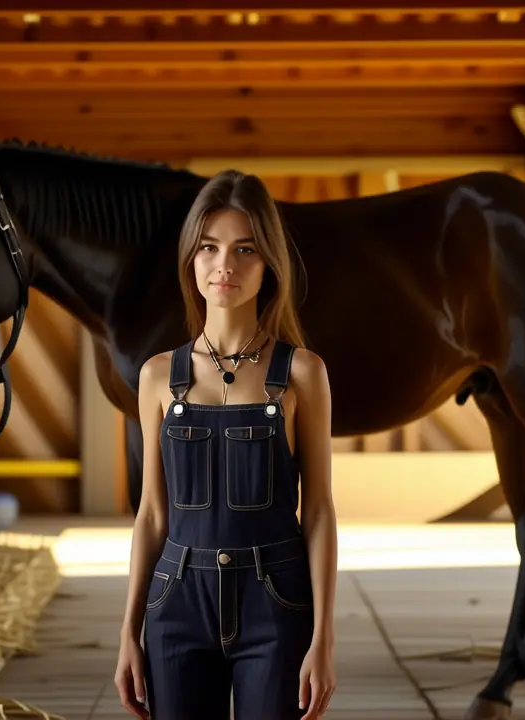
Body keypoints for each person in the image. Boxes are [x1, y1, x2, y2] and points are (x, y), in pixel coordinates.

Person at [113, 170, 338, 719]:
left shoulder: (303, 373)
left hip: (277, 603)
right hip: (176, 602)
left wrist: (324, 639)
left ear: (270, 264)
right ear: (192, 259)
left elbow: (320, 514)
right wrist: (128, 632)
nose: (226, 266)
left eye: (245, 249)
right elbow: (151, 516)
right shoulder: (156, 377)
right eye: (209, 248)